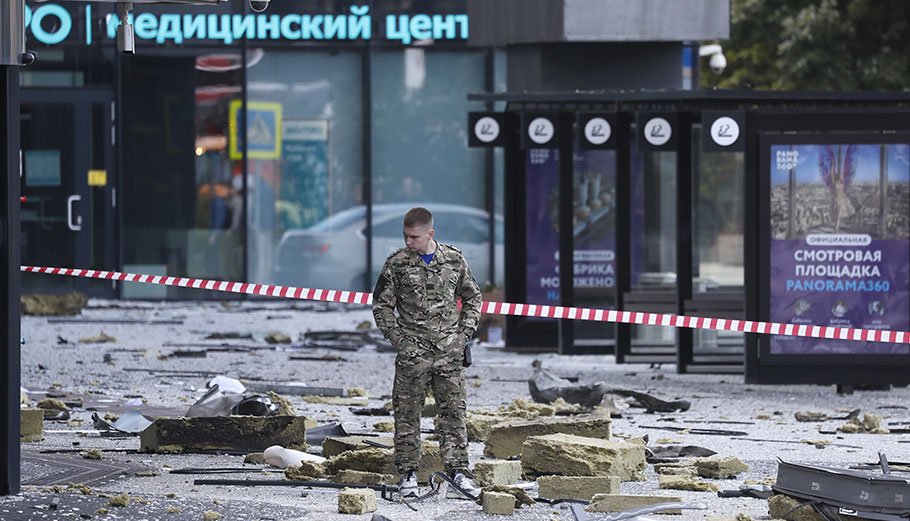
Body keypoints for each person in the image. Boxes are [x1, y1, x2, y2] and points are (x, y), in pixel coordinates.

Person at [371, 207, 483, 499]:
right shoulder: (396, 264)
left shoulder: (453, 259)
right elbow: (381, 306)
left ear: (430, 234)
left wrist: (463, 336)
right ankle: (408, 474)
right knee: (407, 416)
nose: (409, 241)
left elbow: (473, 297)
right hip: (413, 354)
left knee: (454, 414)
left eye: (415, 237)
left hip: (449, 353)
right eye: (406, 236)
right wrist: (398, 340)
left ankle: (459, 474)